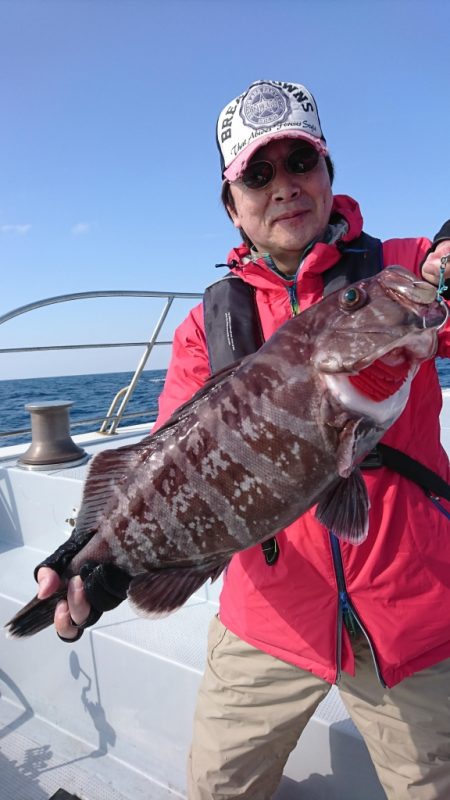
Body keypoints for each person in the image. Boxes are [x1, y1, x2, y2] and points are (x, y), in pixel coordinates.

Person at [37, 79, 450, 799]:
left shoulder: (400, 273)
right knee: (219, 787)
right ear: (233, 207)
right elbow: (164, 458)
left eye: (301, 162)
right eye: (258, 175)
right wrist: (96, 552)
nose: (284, 186)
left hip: (416, 613)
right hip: (269, 617)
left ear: (328, 176)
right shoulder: (208, 324)